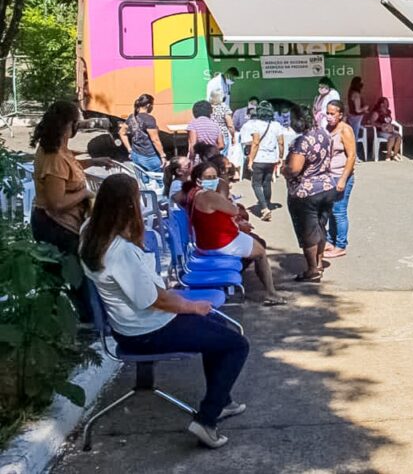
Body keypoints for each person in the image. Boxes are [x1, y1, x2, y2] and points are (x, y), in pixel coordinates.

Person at [80, 173, 249, 449]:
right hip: (147, 330)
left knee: (220, 334)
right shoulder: (119, 251)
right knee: (236, 344)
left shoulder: (89, 231)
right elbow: (154, 300)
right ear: (129, 206)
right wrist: (192, 306)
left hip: (135, 324)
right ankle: (206, 420)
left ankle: (222, 401)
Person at [31, 101, 112, 320]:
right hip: (55, 225)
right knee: (75, 275)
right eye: (76, 122)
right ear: (68, 125)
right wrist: (85, 194)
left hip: (68, 223)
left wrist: (94, 161)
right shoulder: (54, 156)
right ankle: (87, 324)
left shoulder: (61, 149)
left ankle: (84, 319)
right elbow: (55, 203)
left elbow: (71, 167)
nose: (78, 127)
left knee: (77, 273)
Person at [184, 161, 284, 306]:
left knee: (254, 242)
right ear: (198, 179)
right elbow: (234, 210)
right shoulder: (209, 196)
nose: (212, 181)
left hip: (204, 242)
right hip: (220, 243)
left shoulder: (193, 193)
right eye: (208, 177)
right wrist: (223, 191)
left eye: (214, 177)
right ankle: (271, 293)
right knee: (260, 252)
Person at [283, 105, 337, 282]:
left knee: (307, 231)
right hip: (327, 187)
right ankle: (319, 263)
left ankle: (312, 270)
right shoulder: (324, 133)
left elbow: (295, 169)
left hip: (306, 192)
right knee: (320, 227)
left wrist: (284, 168)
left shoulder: (302, 141)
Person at [240, 101, 285, 221]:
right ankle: (267, 204)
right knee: (267, 182)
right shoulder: (276, 125)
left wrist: (250, 160)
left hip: (259, 158)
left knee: (256, 184)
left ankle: (264, 207)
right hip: (272, 158)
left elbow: (255, 143)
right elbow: (281, 142)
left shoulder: (256, 125)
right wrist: (280, 156)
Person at [324, 100, 356, 259]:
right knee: (330, 211)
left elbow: (351, 156)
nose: (329, 117)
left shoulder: (346, 130)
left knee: (339, 212)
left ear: (340, 115)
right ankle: (330, 241)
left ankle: (341, 245)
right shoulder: (328, 129)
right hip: (329, 176)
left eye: (332, 114)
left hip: (342, 176)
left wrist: (343, 179)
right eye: (327, 113)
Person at [117, 94, 166, 172]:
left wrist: (129, 149)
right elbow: (155, 140)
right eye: (152, 105)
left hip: (136, 154)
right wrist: (162, 155)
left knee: (142, 181)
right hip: (149, 156)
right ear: (148, 105)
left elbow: (121, 133)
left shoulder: (131, 117)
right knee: (159, 180)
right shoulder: (149, 119)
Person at [368, 96, 402, 161]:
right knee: (392, 138)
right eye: (386, 102)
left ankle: (395, 154)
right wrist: (381, 125)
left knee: (399, 137)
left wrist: (390, 126)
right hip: (381, 131)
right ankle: (388, 155)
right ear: (381, 104)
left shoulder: (388, 112)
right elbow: (371, 122)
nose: (387, 104)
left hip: (389, 130)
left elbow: (389, 120)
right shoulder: (377, 112)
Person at [347, 77, 369, 158]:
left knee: (352, 136)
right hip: (356, 118)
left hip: (352, 117)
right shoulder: (356, 94)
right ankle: (354, 156)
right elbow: (358, 110)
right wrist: (365, 108)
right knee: (354, 137)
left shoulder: (351, 92)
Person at [209, 89, 235, 156]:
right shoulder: (224, 107)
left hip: (210, 134)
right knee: (222, 156)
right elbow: (230, 125)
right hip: (222, 135)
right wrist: (233, 136)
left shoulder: (208, 107)